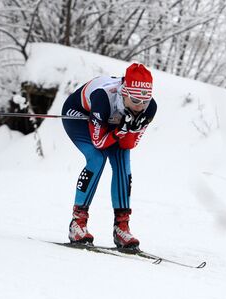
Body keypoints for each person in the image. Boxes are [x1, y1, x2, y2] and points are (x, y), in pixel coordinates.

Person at [61, 63, 157, 252]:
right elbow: (98, 142)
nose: (140, 106)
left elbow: (128, 145)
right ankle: (77, 223)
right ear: (124, 93)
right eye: (136, 100)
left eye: (145, 101)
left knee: (122, 160)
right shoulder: (103, 98)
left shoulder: (149, 108)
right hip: (80, 114)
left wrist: (130, 129)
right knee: (97, 158)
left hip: (110, 123)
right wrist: (121, 129)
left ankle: (122, 227)